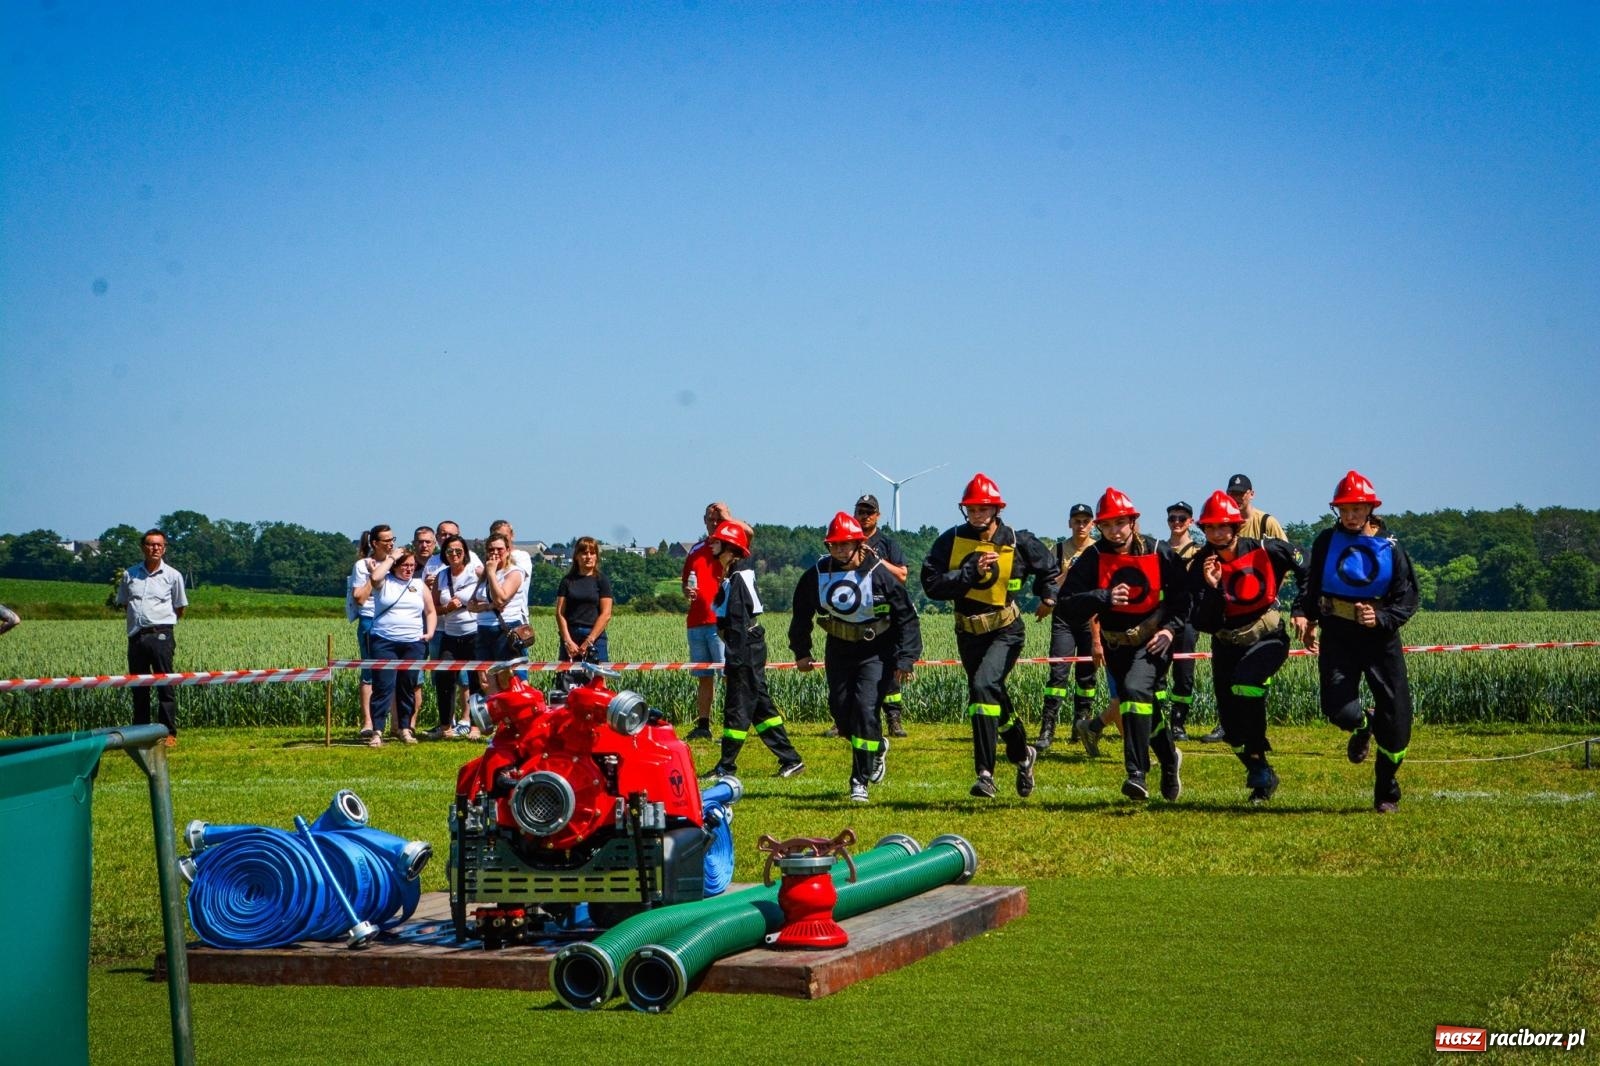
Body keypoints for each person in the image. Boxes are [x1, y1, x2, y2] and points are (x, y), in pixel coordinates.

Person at [920, 473, 1056, 799]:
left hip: (1006, 631)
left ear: (996, 509)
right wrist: (970, 572)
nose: (976, 515)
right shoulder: (951, 540)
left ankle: (985, 773)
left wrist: (1048, 596)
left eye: (983, 509)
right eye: (971, 510)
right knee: (990, 694)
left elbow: (1049, 567)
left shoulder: (1017, 540)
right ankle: (1024, 755)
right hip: (968, 634)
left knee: (982, 688)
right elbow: (932, 584)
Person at [1293, 471, 1419, 813]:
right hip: (1338, 634)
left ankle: (1386, 791)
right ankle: (1364, 725)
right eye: (1344, 509)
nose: (1350, 516)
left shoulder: (1391, 546)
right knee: (1338, 709)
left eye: (1357, 509)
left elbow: (1407, 599)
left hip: (1380, 640)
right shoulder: (1324, 541)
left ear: (1369, 509)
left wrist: (1379, 619)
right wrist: (1305, 616)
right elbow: (1311, 583)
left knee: (1397, 725)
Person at [1062, 488, 1190, 802]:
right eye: (1107, 525)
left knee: (1133, 692)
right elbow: (1066, 604)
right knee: (1145, 706)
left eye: (1120, 523)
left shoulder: (1159, 551)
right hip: (1116, 646)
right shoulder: (1093, 557)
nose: (1114, 531)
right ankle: (1170, 759)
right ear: (1098, 528)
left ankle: (1136, 773)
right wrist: (1101, 597)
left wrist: (1171, 631)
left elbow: (1184, 598)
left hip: (1154, 642)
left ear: (1133, 521)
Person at [789, 511, 921, 803]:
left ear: (859, 544)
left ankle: (858, 780)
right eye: (834, 545)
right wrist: (801, 651)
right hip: (838, 649)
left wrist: (906, 659)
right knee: (841, 712)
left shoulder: (880, 574)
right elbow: (801, 613)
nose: (839, 550)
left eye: (845, 544)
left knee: (864, 709)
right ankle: (875, 746)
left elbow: (907, 617)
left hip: (877, 650)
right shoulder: (818, 574)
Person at [1189, 490, 1308, 804]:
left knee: (1246, 684)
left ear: (1236, 526)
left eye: (1223, 526)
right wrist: (1213, 588)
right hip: (1227, 644)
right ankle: (1262, 772)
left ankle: (1257, 757)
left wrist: (1302, 610)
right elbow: (1203, 622)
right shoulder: (1200, 567)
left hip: (1268, 637)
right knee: (1230, 729)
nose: (1217, 533)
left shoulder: (1266, 548)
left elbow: (1307, 567)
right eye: (1210, 528)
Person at [705, 520, 805, 780]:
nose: (711, 543)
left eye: (717, 541)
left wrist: (733, 662)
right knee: (762, 710)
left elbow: (737, 623)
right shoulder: (733, 575)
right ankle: (791, 760)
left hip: (744, 649)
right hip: (748, 647)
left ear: (730, 547)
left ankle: (726, 766)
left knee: (737, 708)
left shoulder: (737, 578)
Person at [844, 492, 912, 738]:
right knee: (849, 667)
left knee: (889, 666)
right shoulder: (846, 541)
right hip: (854, 611)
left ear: (877, 516)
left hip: (884, 613)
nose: (863, 516)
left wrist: (875, 561)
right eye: (859, 512)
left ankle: (893, 718)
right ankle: (845, 717)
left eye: (868, 512)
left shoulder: (887, 544)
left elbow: (902, 575)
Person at [114, 529, 188, 746]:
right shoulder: (130, 575)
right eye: (150, 544)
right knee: (139, 685)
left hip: (161, 634)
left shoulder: (173, 576)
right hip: (136, 636)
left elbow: (180, 607)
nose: (155, 548)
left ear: (164, 548)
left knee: (165, 684)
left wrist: (163, 626)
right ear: (143, 547)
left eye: (159, 545)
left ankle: (168, 732)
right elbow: (126, 603)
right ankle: (140, 732)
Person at [1038, 502, 1099, 751]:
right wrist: (1070, 573)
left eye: (1086, 521)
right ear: (1069, 523)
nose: (1081, 525)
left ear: (1092, 524)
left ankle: (1081, 725)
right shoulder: (1059, 549)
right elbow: (1050, 583)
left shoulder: (1098, 549)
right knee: (1058, 674)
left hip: (1089, 617)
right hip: (1063, 617)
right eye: (1077, 521)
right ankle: (1047, 728)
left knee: (1087, 676)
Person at [367, 548, 436, 746]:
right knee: (383, 686)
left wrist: (429, 632)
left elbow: (430, 611)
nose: (409, 569)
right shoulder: (385, 582)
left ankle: (405, 728)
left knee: (407, 686)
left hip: (413, 643)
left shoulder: (418, 584)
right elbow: (374, 577)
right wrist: (390, 558)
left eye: (412, 566)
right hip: (384, 641)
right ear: (396, 565)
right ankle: (377, 730)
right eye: (405, 565)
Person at [682, 502, 736, 741]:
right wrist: (687, 591)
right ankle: (703, 724)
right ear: (703, 521)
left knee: (727, 675)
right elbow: (686, 583)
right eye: (710, 520)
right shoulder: (695, 550)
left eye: (718, 520)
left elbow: (746, 535)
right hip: (695, 622)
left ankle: (732, 725)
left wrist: (728, 518)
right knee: (704, 677)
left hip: (720, 622)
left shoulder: (730, 547)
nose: (714, 524)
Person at [427, 534, 484, 740]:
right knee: (444, 678)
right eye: (450, 551)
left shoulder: (474, 573)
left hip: (473, 633)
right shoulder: (441, 576)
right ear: (444, 554)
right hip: (450, 635)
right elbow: (434, 608)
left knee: (476, 680)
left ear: (465, 554)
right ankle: (445, 725)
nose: (454, 555)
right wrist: (447, 607)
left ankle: (476, 725)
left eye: (458, 551)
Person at [348, 524, 399, 738]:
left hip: (394, 621)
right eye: (386, 540)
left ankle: (397, 724)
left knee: (397, 672)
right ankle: (368, 722)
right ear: (375, 543)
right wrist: (373, 575)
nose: (391, 543)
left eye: (392, 539)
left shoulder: (397, 561)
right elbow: (359, 598)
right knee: (369, 671)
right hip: (370, 619)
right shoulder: (362, 565)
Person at [1160, 501, 1202, 741]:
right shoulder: (1160, 549)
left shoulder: (1199, 551)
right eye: (1172, 518)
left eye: (1181, 518)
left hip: (1188, 619)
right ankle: (1159, 721)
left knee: (1184, 673)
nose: (1176, 522)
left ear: (1190, 522)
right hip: (1162, 617)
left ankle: (1178, 722)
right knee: (1158, 671)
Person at [468, 531, 530, 666]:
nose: (495, 552)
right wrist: (488, 607)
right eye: (491, 549)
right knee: (486, 678)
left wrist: (491, 573)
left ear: (507, 551)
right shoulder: (485, 575)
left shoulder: (515, 572)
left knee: (508, 676)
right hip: (483, 629)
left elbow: (501, 599)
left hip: (506, 629)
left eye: (499, 549)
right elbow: (471, 605)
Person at [556, 536, 615, 670]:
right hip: (571, 637)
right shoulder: (567, 581)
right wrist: (567, 640)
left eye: (592, 553)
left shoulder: (602, 580)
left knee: (598, 680)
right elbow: (560, 613)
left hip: (595, 637)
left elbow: (606, 614)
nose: (588, 557)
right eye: (584, 553)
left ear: (596, 556)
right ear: (577, 556)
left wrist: (589, 640)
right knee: (567, 680)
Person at [1226, 473, 1288, 542]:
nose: (1236, 497)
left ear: (1252, 494)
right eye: (1233, 493)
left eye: (1241, 493)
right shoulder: (1222, 524)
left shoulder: (1266, 523)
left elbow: (1288, 550)